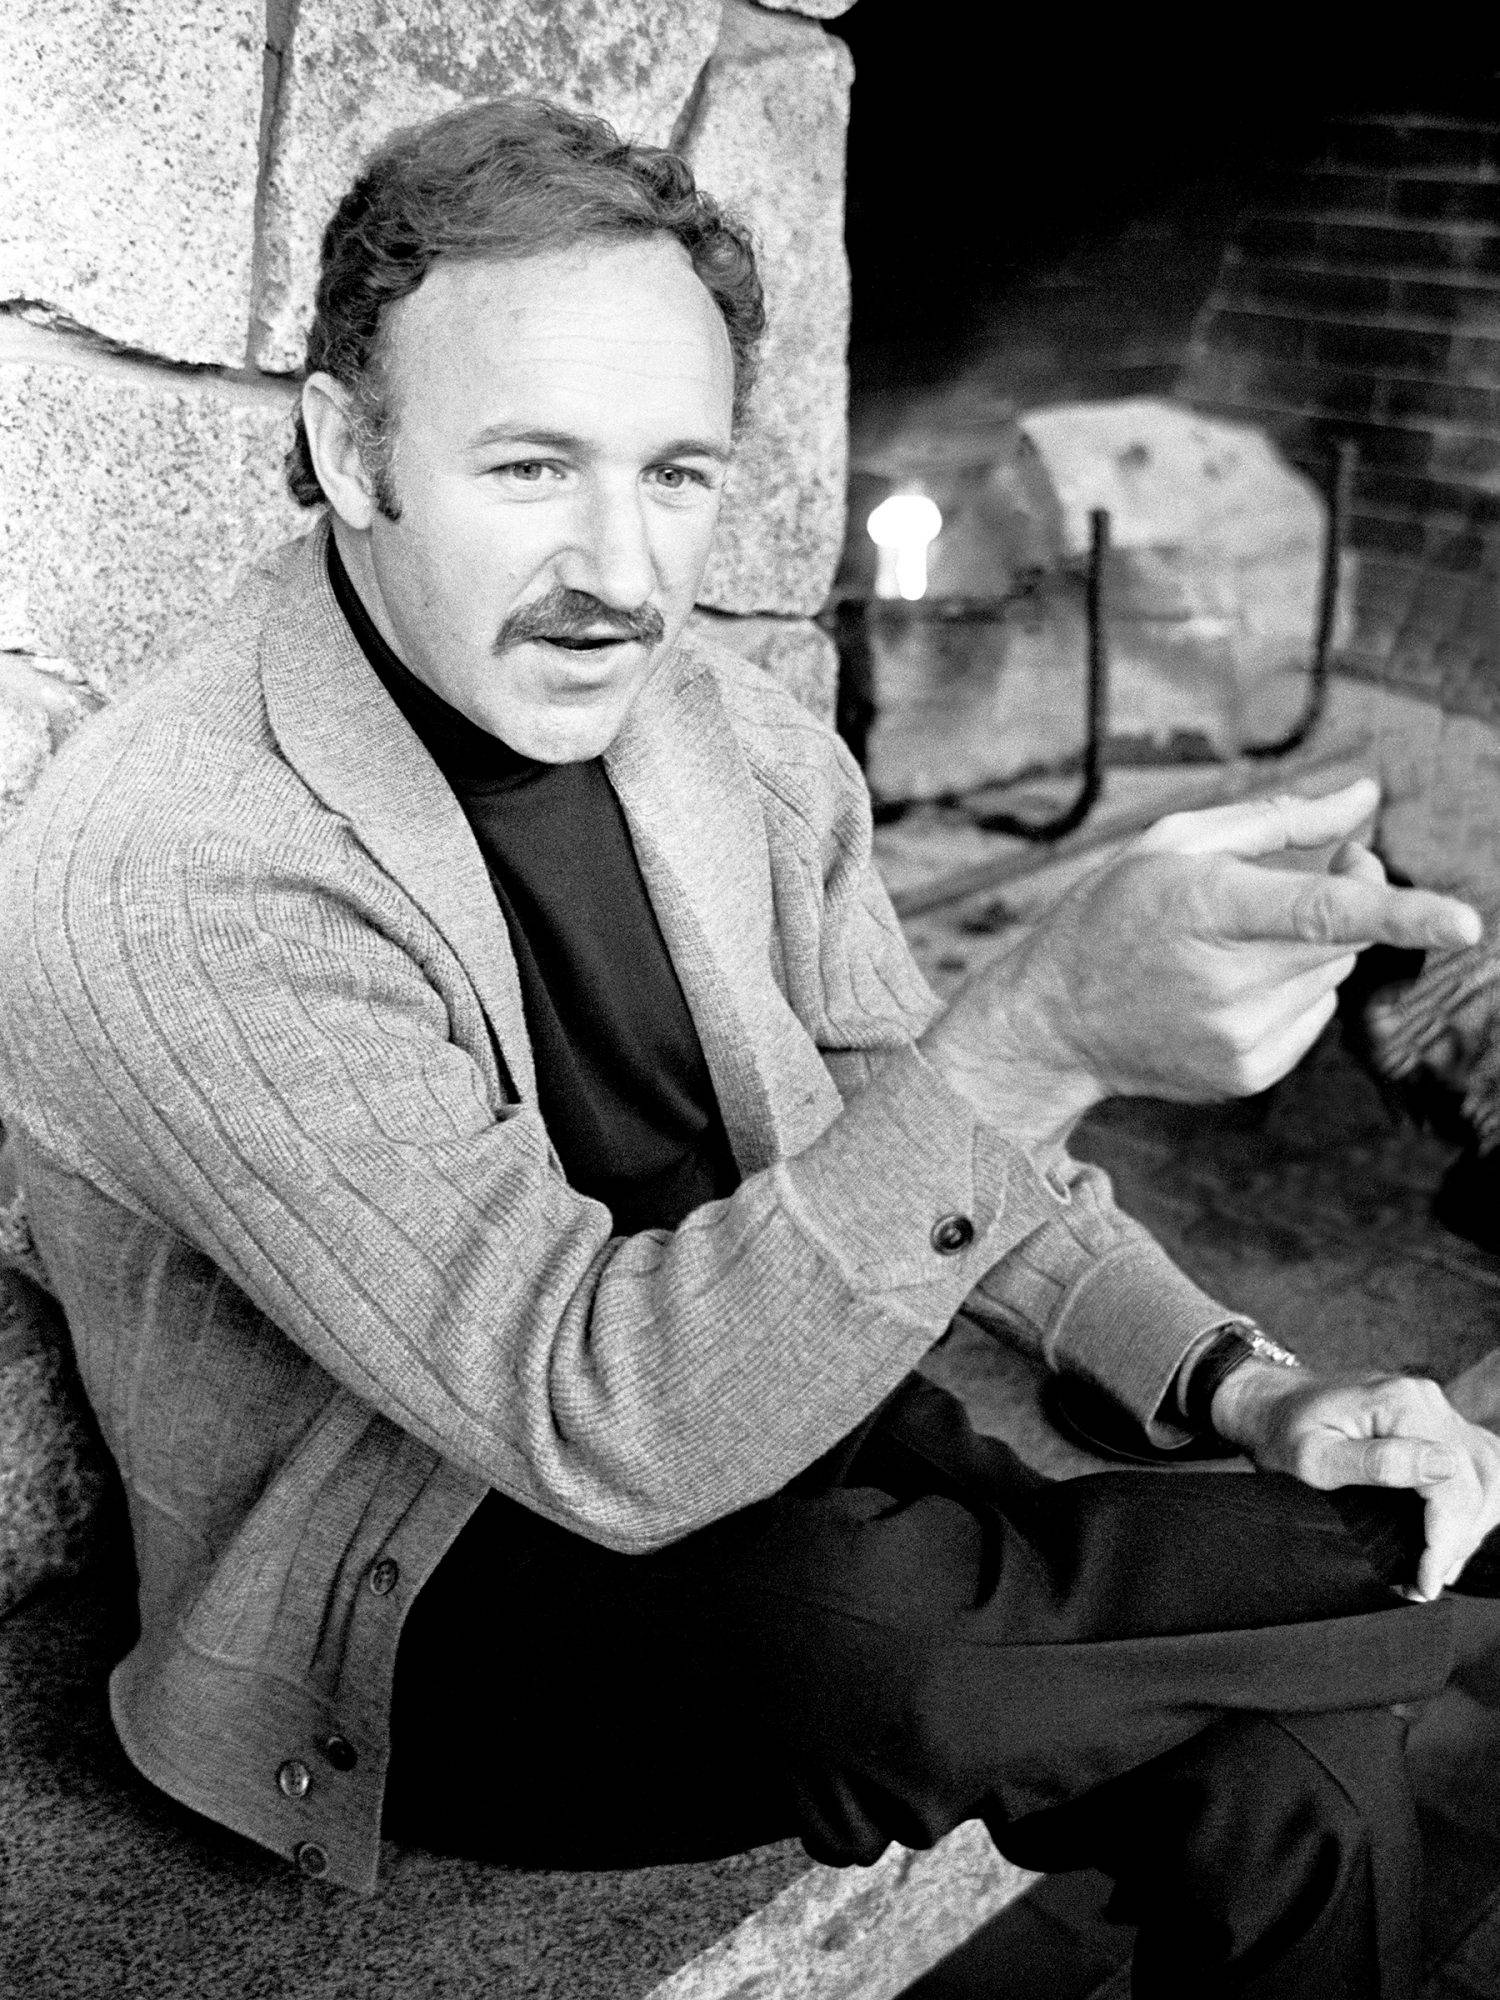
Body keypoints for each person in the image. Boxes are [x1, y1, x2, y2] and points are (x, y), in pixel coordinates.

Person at [1, 95, 1497, 1999]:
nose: (623, 573)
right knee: (884, 1651)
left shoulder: (734, 735)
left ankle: (1307, 1554)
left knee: (1291, 1779)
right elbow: (598, 1424)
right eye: (532, 466)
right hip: (426, 1590)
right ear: (350, 451)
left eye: (678, 474)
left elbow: (906, 1112)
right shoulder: (176, 860)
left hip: (791, 1398)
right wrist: (1045, 1024)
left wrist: (1242, 1387)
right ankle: (1383, 1559)